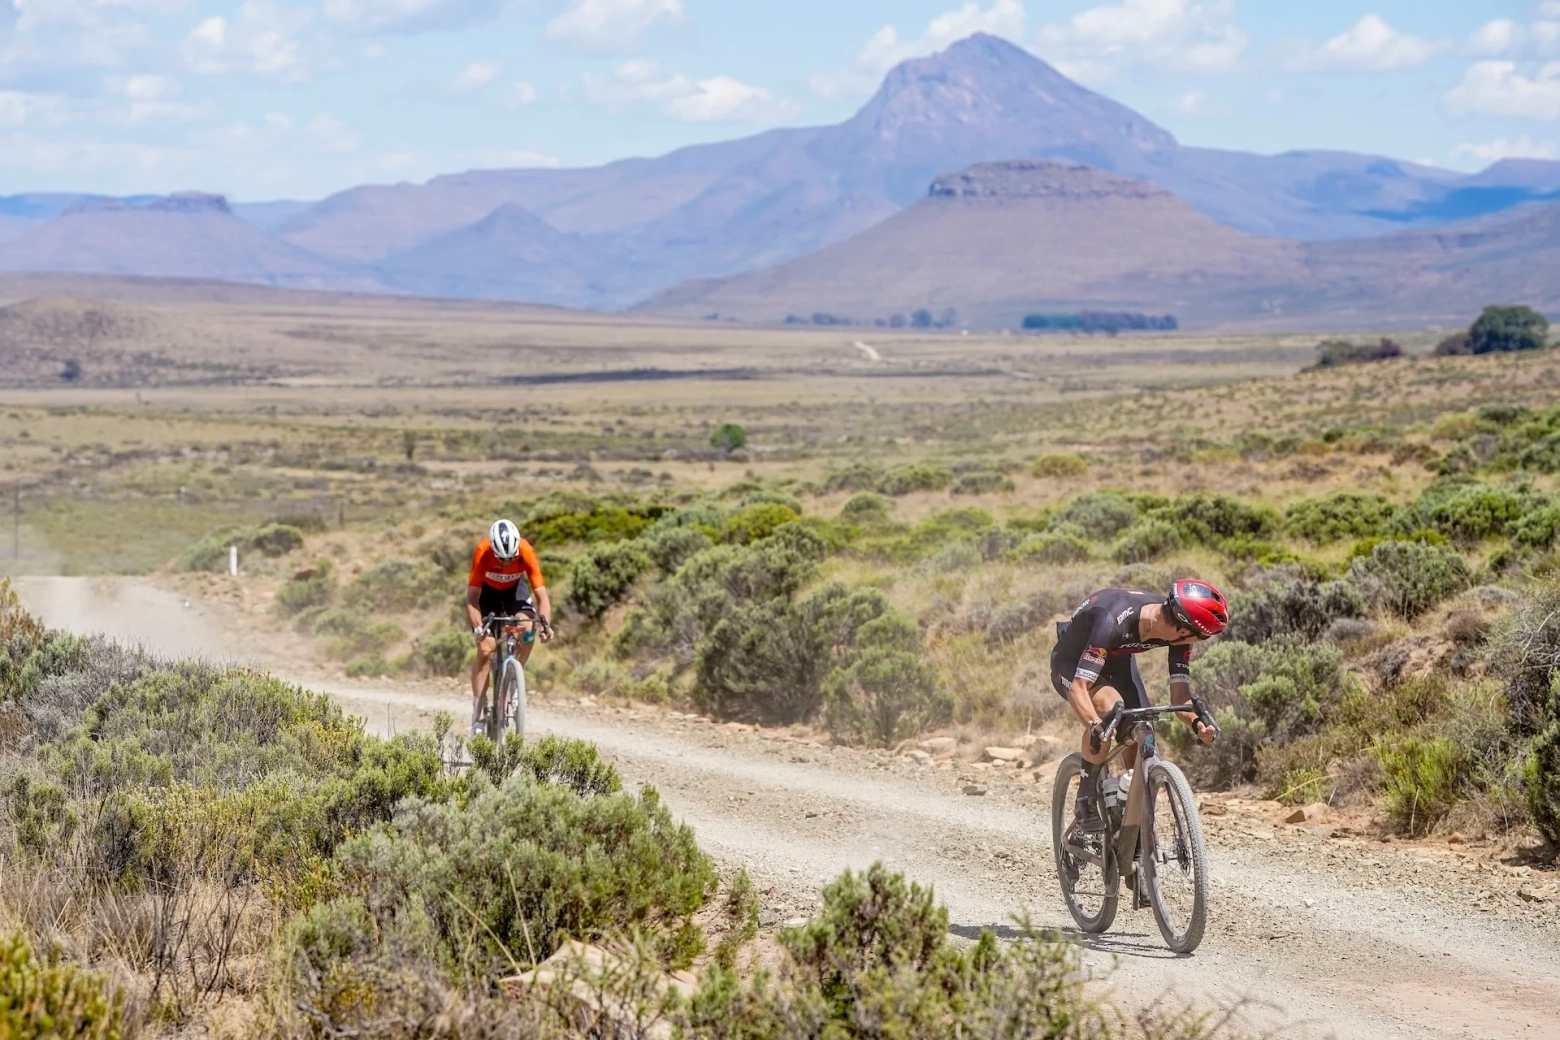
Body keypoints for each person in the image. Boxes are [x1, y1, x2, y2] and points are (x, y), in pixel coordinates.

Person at [1050, 579, 1226, 831]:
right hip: (1072, 662)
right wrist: (1095, 726)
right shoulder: (1113, 619)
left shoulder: (1179, 633)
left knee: (1141, 729)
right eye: (1202, 637)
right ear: (1183, 630)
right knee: (1111, 711)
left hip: (1117, 662)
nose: (1198, 642)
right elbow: (1079, 687)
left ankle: (1127, 820)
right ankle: (1086, 799)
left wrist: (1198, 723)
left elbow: (1180, 697)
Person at [466, 519, 552, 735]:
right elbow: (472, 598)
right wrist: (478, 627)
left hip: (515, 590)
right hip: (487, 594)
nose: (507, 562)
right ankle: (477, 714)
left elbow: (542, 597)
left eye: (511, 558)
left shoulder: (526, 551)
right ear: (494, 550)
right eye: (502, 558)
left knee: (527, 628)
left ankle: (515, 677)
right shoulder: (483, 551)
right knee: (486, 649)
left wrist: (545, 625)